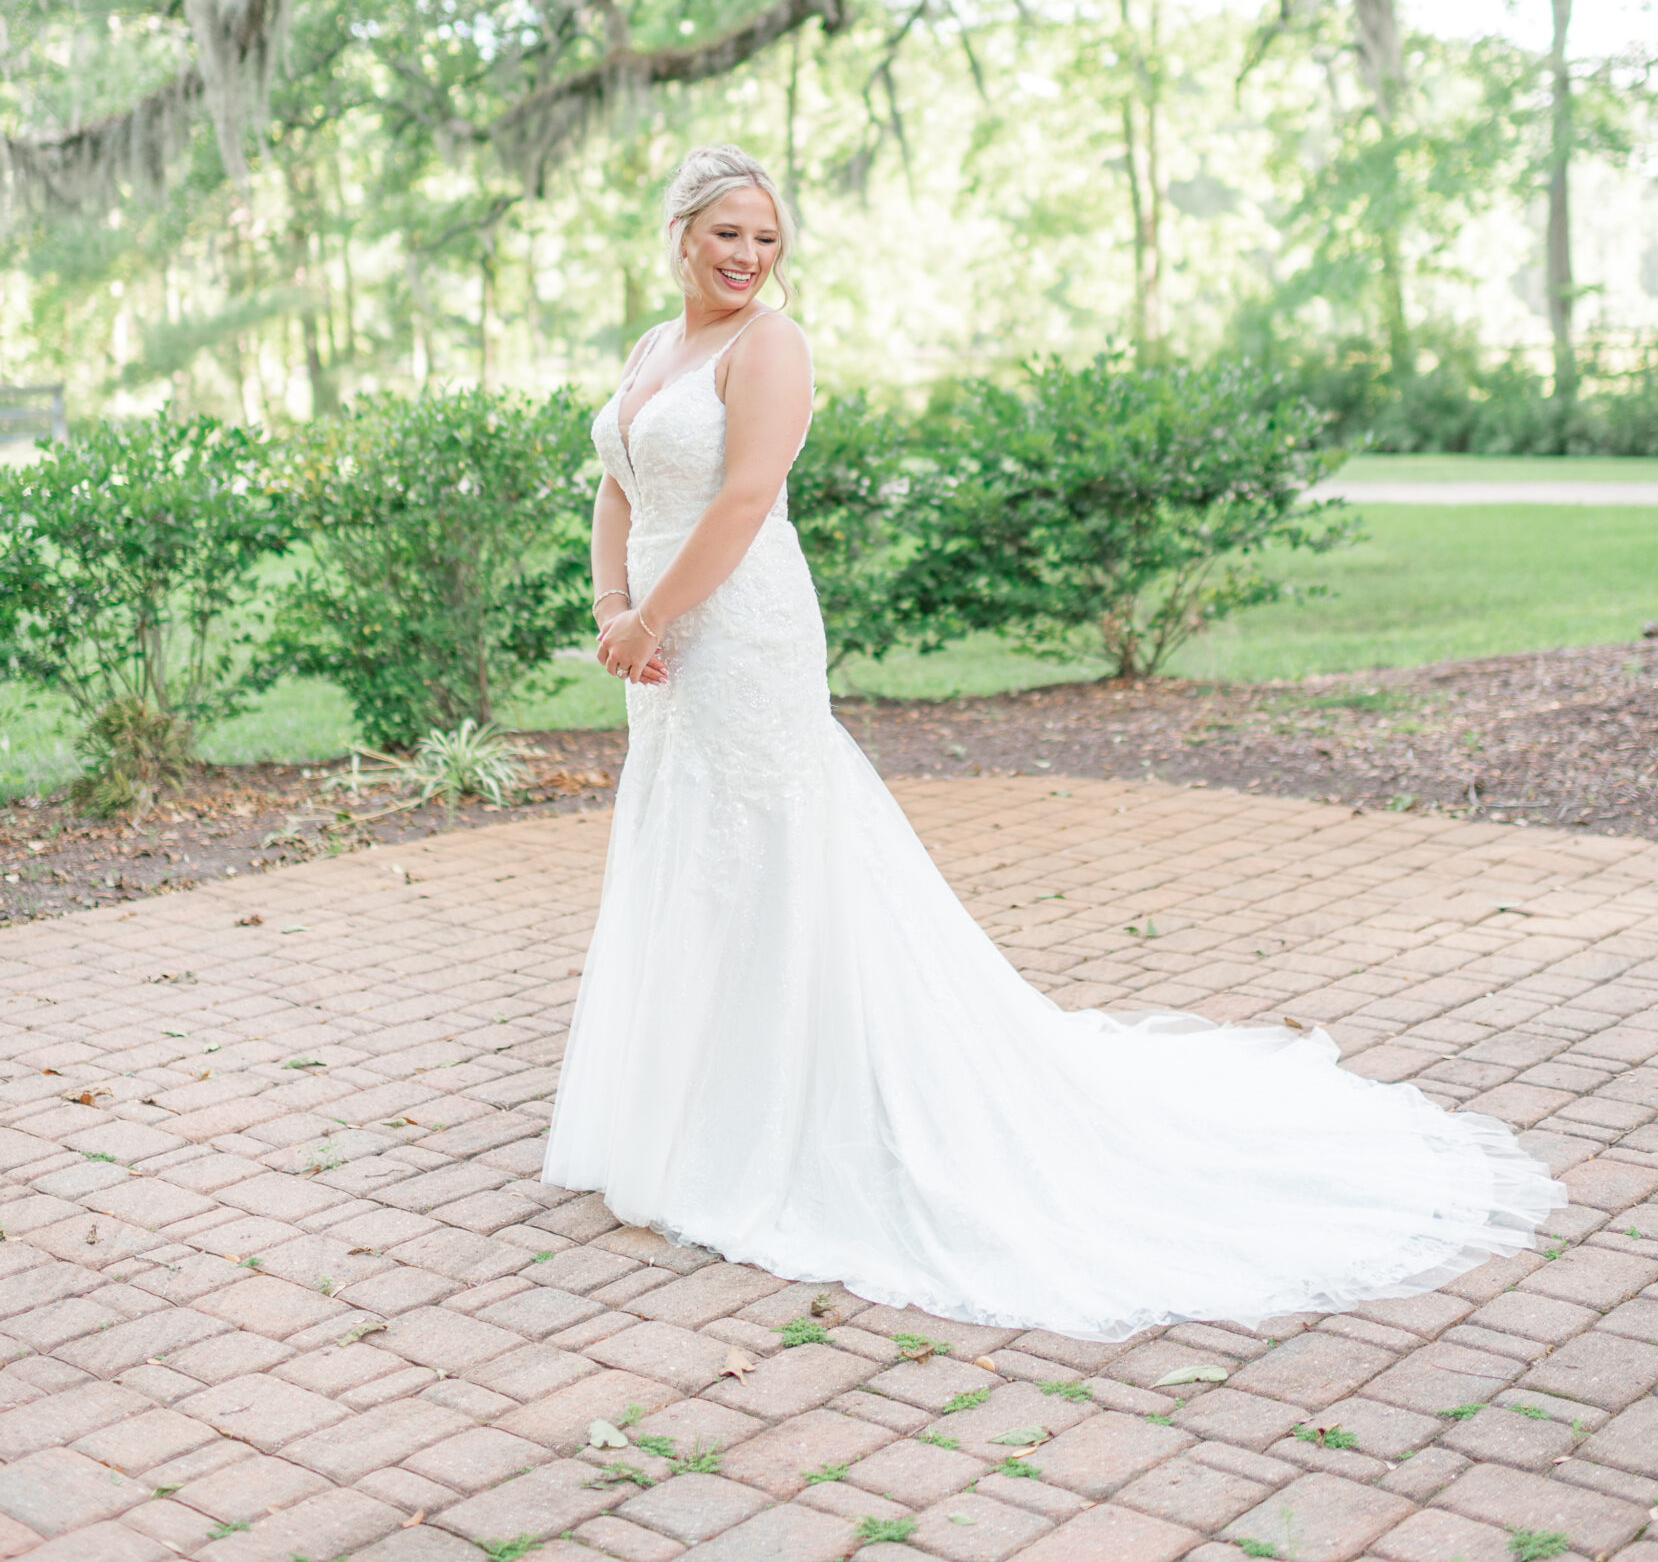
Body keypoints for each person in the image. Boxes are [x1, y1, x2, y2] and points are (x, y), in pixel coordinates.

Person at [542, 143, 1563, 1337]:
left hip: (736, 628)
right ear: (678, 232)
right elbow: (615, 485)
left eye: (767, 240)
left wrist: (658, 614)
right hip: (655, 648)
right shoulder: (650, 351)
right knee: (683, 840)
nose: (748, 257)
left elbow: (742, 498)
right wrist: (613, 609)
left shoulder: (771, 344)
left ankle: (787, 1117)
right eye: (728, 235)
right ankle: (683, 1107)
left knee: (764, 845)